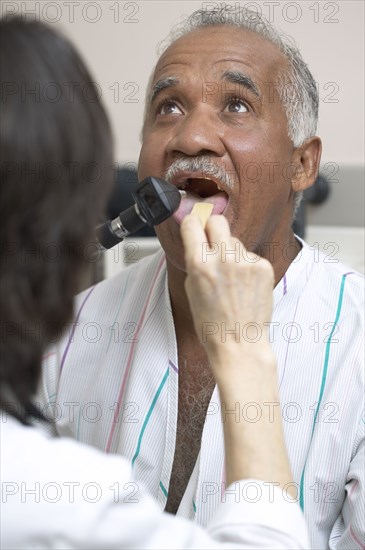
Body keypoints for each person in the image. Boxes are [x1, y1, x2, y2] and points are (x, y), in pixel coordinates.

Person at [38, 6, 364, 550]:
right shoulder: (65, 337)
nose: (190, 138)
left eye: (236, 105)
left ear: (302, 165)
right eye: (168, 108)